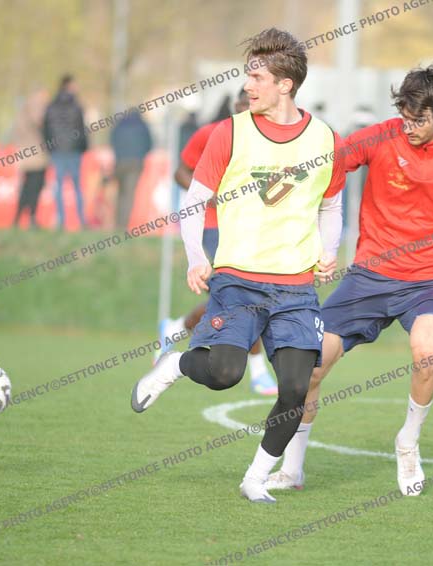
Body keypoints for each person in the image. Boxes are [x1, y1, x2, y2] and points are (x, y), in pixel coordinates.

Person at [265, 64, 433, 497]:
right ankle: (292, 469)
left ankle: (408, 442)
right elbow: (328, 165)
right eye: (404, 118)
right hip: (369, 278)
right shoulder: (380, 137)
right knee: (309, 369)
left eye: (419, 120)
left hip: (431, 280)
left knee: (427, 352)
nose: (408, 128)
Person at [131, 28, 346, 504]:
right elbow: (194, 201)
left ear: (285, 84)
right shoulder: (229, 132)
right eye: (248, 75)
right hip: (237, 281)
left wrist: (329, 249)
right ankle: (175, 365)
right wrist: (196, 257)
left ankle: (256, 478)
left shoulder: (326, 139)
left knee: (295, 390)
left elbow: (331, 204)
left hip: (296, 288)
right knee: (225, 372)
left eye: (257, 77)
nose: (247, 85)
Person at [159, 88, 278, 396]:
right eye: (246, 103)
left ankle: (175, 328)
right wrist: (210, 197)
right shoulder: (212, 134)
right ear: (237, 105)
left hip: (251, 229)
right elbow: (180, 172)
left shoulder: (270, 139)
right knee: (243, 296)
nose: (251, 109)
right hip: (212, 226)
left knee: (231, 299)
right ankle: (258, 371)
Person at [43, 74, 89, 230]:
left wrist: (50, 147)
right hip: (74, 150)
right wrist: (83, 147)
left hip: (57, 151)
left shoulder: (51, 106)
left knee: (59, 186)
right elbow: (82, 130)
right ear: (68, 85)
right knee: (77, 186)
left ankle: (61, 220)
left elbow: (46, 129)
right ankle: (81, 220)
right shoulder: (76, 106)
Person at [12, 89, 49, 229]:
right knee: (35, 187)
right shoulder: (37, 111)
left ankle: (17, 218)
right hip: (37, 156)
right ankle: (31, 217)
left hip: (25, 156)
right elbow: (41, 126)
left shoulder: (22, 112)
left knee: (26, 187)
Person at [110, 111, 153, 230]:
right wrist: (141, 155)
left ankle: (117, 223)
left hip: (120, 162)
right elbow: (149, 144)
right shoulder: (142, 126)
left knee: (120, 193)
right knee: (128, 195)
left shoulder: (119, 125)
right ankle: (122, 225)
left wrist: (118, 154)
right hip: (136, 163)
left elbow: (112, 140)